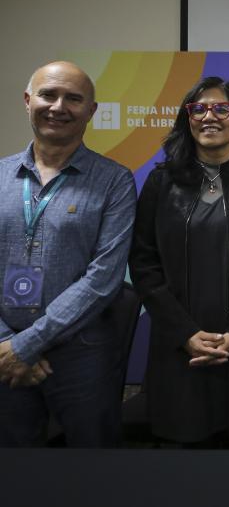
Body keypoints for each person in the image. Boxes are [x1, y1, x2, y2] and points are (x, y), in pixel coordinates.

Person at [129, 76, 229, 447]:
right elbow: (143, 264)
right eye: (198, 109)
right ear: (188, 119)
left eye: (221, 108)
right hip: (179, 347)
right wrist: (184, 333)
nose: (208, 116)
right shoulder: (161, 182)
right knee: (181, 469)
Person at [0, 61, 136, 447]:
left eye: (73, 99)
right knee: (12, 475)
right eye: (48, 95)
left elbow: (104, 279)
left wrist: (27, 345)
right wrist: (6, 344)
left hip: (82, 355)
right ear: (28, 101)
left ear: (91, 111)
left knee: (93, 473)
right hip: (2, 353)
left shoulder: (115, 181)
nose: (59, 106)